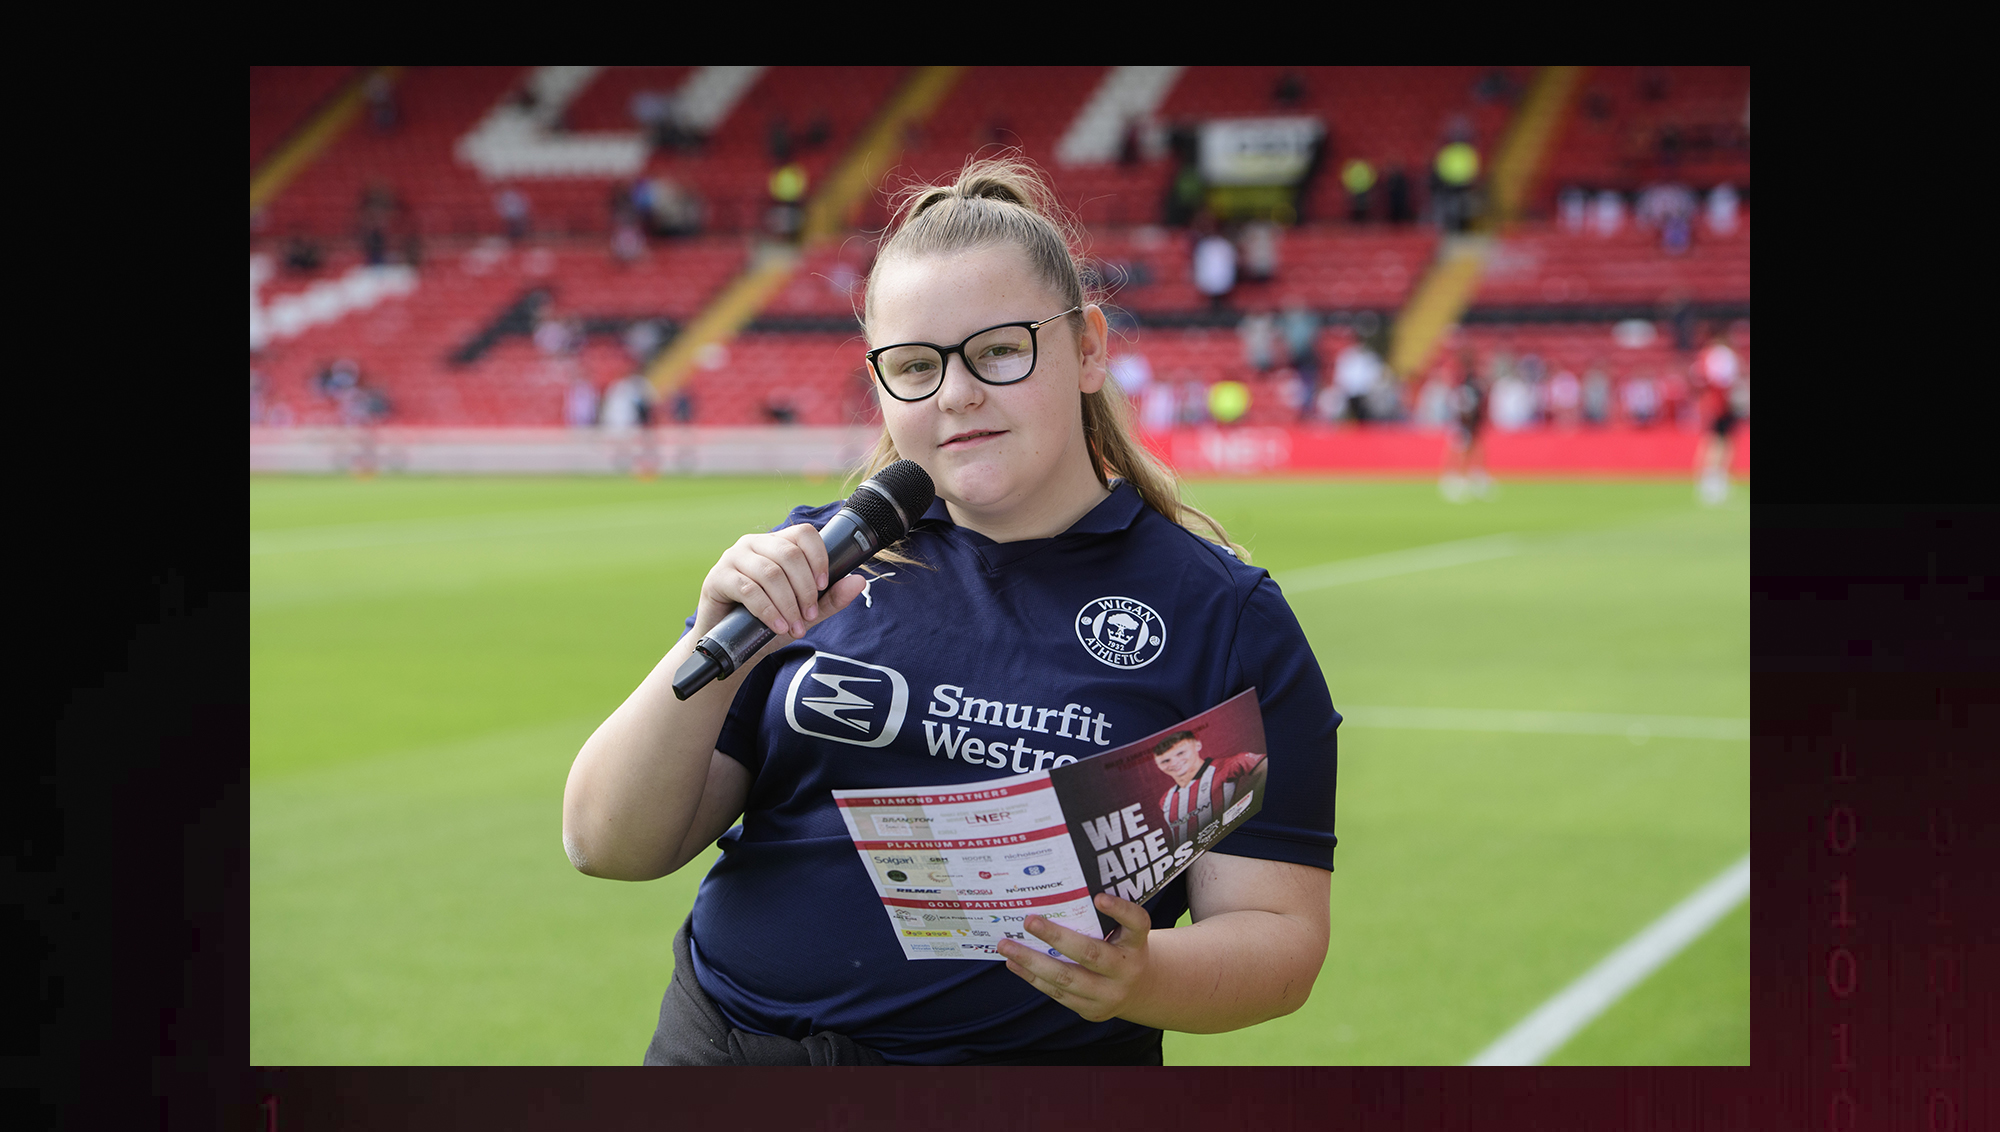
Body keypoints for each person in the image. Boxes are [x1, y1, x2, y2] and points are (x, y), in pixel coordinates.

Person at [564, 156, 1339, 1066]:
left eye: (1000, 350)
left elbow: (1278, 933)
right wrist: (711, 639)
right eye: (915, 366)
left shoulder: (1224, 617)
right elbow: (606, 842)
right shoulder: (814, 560)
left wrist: (1143, 976)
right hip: (721, 1055)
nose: (957, 393)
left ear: (1089, 349)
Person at [1152, 731, 1267, 849]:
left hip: (1226, 845)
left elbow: (1265, 765)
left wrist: (1253, 802)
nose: (1174, 763)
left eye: (1181, 753)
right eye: (1165, 761)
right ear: (1157, 764)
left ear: (1197, 745)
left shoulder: (1223, 767)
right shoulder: (1166, 799)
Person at [1694, 332, 1743, 504]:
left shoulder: (1706, 355)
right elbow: (1726, 379)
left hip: (1712, 402)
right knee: (1720, 441)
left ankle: (1710, 480)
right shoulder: (1723, 355)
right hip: (1721, 403)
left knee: (1714, 440)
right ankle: (1714, 482)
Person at [1440, 350, 1491, 502]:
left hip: (1468, 422)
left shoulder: (1467, 385)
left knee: (1469, 448)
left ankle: (1468, 475)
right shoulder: (1465, 386)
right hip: (1463, 422)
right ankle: (1456, 477)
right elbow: (1462, 406)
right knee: (1460, 449)